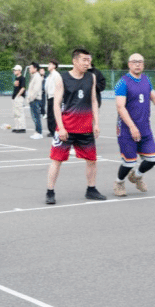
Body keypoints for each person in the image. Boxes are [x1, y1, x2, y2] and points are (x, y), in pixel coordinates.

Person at [46, 48, 105, 203]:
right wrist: (61, 127)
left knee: (92, 160)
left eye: (89, 60)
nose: (87, 63)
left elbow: (93, 101)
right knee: (56, 160)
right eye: (84, 60)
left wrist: (96, 123)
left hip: (85, 128)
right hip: (66, 127)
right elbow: (56, 104)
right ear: (75, 61)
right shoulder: (62, 78)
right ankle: (50, 191)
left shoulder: (91, 77)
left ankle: (91, 189)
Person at [112, 53, 155, 197]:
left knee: (153, 159)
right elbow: (120, 107)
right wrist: (132, 127)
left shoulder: (146, 79)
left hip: (144, 127)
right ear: (129, 64)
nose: (137, 64)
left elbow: (154, 97)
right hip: (127, 129)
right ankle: (119, 182)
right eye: (134, 62)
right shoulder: (123, 82)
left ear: (143, 64)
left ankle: (137, 176)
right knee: (129, 162)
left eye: (140, 62)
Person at [27, 62, 44, 139]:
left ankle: (39, 133)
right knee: (34, 117)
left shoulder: (37, 76)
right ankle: (37, 132)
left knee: (36, 117)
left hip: (35, 99)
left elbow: (36, 89)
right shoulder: (33, 76)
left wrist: (31, 98)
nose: (29, 69)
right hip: (33, 100)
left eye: (31, 68)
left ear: (35, 68)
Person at [45, 60, 61, 137]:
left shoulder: (56, 75)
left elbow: (58, 87)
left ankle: (54, 130)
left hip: (54, 96)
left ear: (54, 66)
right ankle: (51, 130)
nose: (48, 66)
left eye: (50, 64)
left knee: (53, 114)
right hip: (49, 96)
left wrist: (57, 96)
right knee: (49, 114)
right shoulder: (50, 75)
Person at [11, 64, 27, 133]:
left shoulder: (22, 78)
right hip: (15, 97)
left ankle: (22, 127)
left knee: (20, 113)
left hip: (19, 97)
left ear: (19, 71)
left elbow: (23, 88)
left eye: (15, 70)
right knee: (15, 113)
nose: (14, 71)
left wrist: (18, 95)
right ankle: (17, 127)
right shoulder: (16, 78)